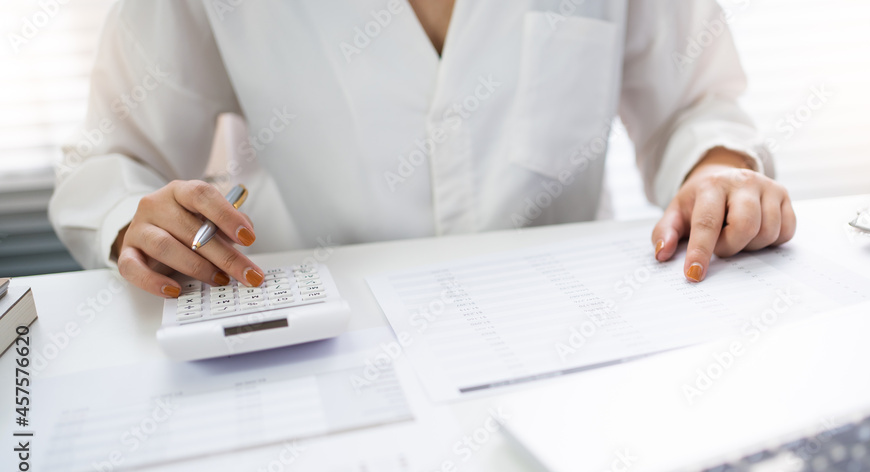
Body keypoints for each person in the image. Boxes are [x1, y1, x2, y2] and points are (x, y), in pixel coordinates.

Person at [50, 0, 795, 298]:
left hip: (565, 325)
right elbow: (110, 161)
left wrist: (718, 172)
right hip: (309, 331)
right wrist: (132, 217)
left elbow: (695, 104)